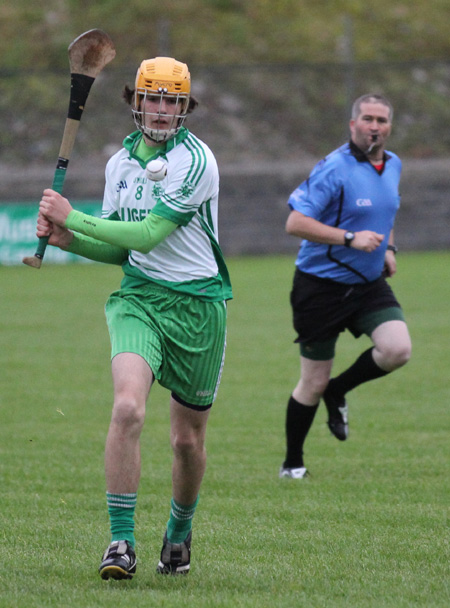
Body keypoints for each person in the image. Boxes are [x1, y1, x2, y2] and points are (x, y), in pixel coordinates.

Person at [37, 56, 232, 577]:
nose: (163, 111)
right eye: (154, 98)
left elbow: (148, 234)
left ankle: (179, 529)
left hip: (197, 307)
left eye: (174, 101)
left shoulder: (198, 161)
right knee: (127, 408)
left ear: (185, 108)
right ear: (136, 101)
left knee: (186, 441)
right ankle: (120, 543)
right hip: (139, 299)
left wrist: (72, 216)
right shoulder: (118, 164)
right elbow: (127, 253)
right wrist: (70, 239)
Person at [279, 93, 411, 480]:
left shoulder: (394, 164)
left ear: (389, 127)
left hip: (368, 285)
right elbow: (295, 224)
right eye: (367, 119)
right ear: (353, 124)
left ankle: (339, 391)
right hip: (319, 288)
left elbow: (386, 212)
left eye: (382, 120)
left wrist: (387, 246)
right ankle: (293, 464)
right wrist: (350, 238)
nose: (375, 126)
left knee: (397, 349)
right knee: (312, 381)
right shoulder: (333, 169)